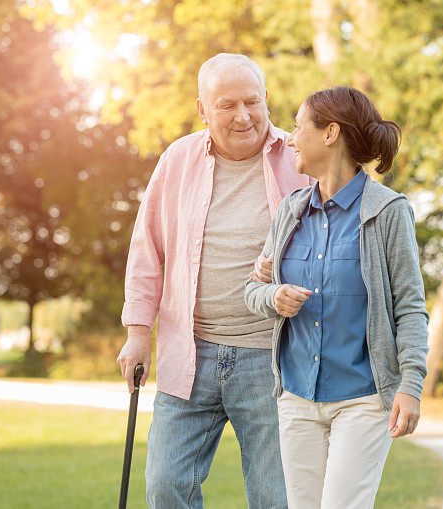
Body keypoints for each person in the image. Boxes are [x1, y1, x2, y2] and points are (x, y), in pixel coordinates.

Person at [116, 53, 312, 509]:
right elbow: (147, 249)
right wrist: (137, 334)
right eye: (227, 105)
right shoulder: (178, 160)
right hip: (191, 354)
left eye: (253, 102)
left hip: (272, 358)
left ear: (267, 101)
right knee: (166, 487)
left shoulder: (300, 159)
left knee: (275, 498)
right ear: (203, 110)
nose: (243, 116)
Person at [244, 86, 429, 508]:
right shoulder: (290, 212)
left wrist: (411, 385)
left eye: (297, 126)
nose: (290, 138)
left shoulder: (387, 211)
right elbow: (252, 290)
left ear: (330, 133)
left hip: (362, 398)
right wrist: (274, 296)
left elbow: (411, 306)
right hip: (296, 396)